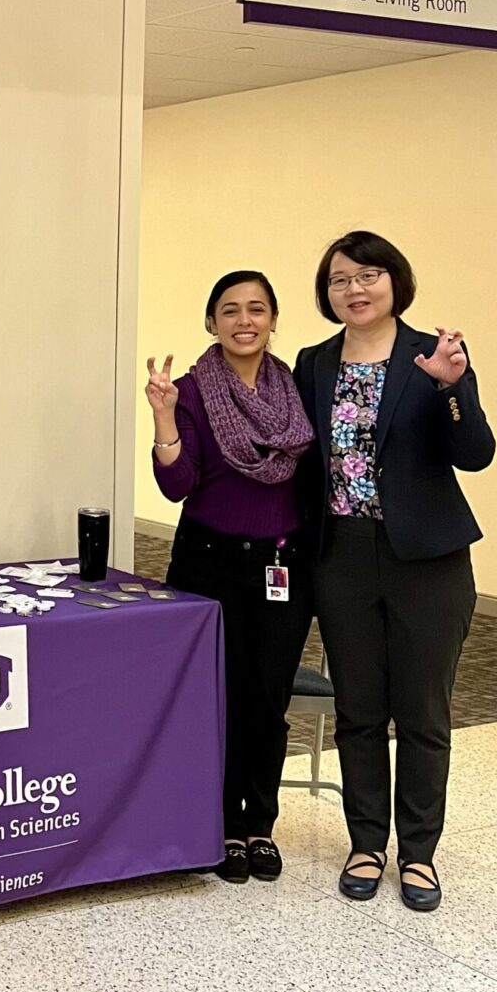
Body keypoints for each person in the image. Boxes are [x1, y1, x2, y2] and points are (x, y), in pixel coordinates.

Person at [294, 232, 494, 912]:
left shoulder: (432, 357)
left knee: (422, 712)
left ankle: (418, 852)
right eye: (340, 279)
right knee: (357, 709)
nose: (354, 288)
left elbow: (477, 453)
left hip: (428, 562)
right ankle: (366, 842)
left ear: (395, 282)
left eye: (369, 275)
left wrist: (453, 388)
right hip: (341, 555)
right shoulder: (313, 362)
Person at [147, 271, 315, 884]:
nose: (244, 320)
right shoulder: (190, 391)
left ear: (273, 319)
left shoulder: (295, 390)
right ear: (211, 322)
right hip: (209, 563)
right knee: (214, 697)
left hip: (282, 565)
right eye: (230, 310)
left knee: (266, 700)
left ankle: (259, 826)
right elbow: (177, 484)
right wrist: (165, 418)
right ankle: (217, 822)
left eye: (257, 309)